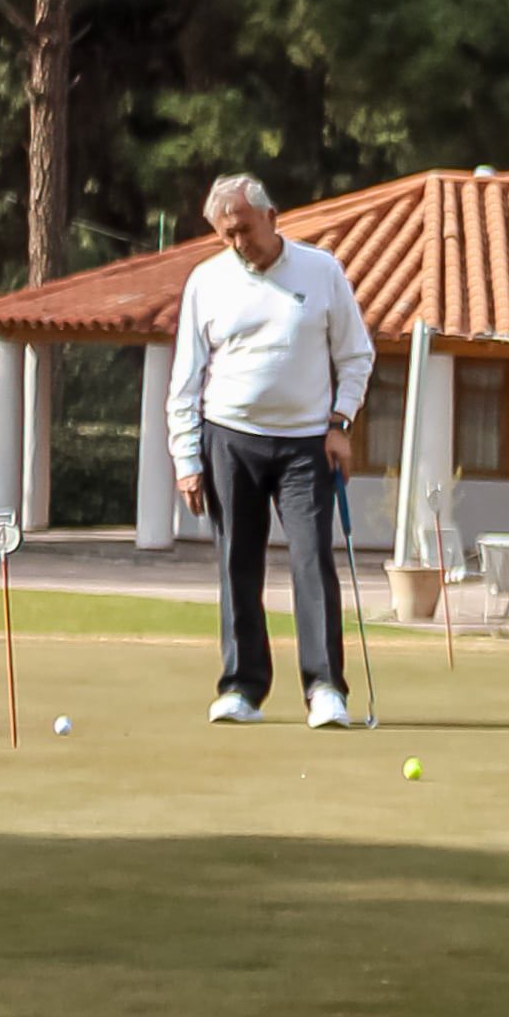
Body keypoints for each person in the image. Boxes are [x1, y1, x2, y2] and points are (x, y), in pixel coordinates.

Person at [166, 174, 373, 729]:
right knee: (238, 565)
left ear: (272, 216)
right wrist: (186, 460)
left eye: (244, 230)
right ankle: (242, 688)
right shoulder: (206, 281)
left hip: (307, 441)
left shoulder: (321, 271)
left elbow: (356, 355)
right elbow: (185, 379)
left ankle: (326, 688)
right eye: (226, 235)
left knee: (311, 560)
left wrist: (340, 421)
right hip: (228, 438)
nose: (238, 244)